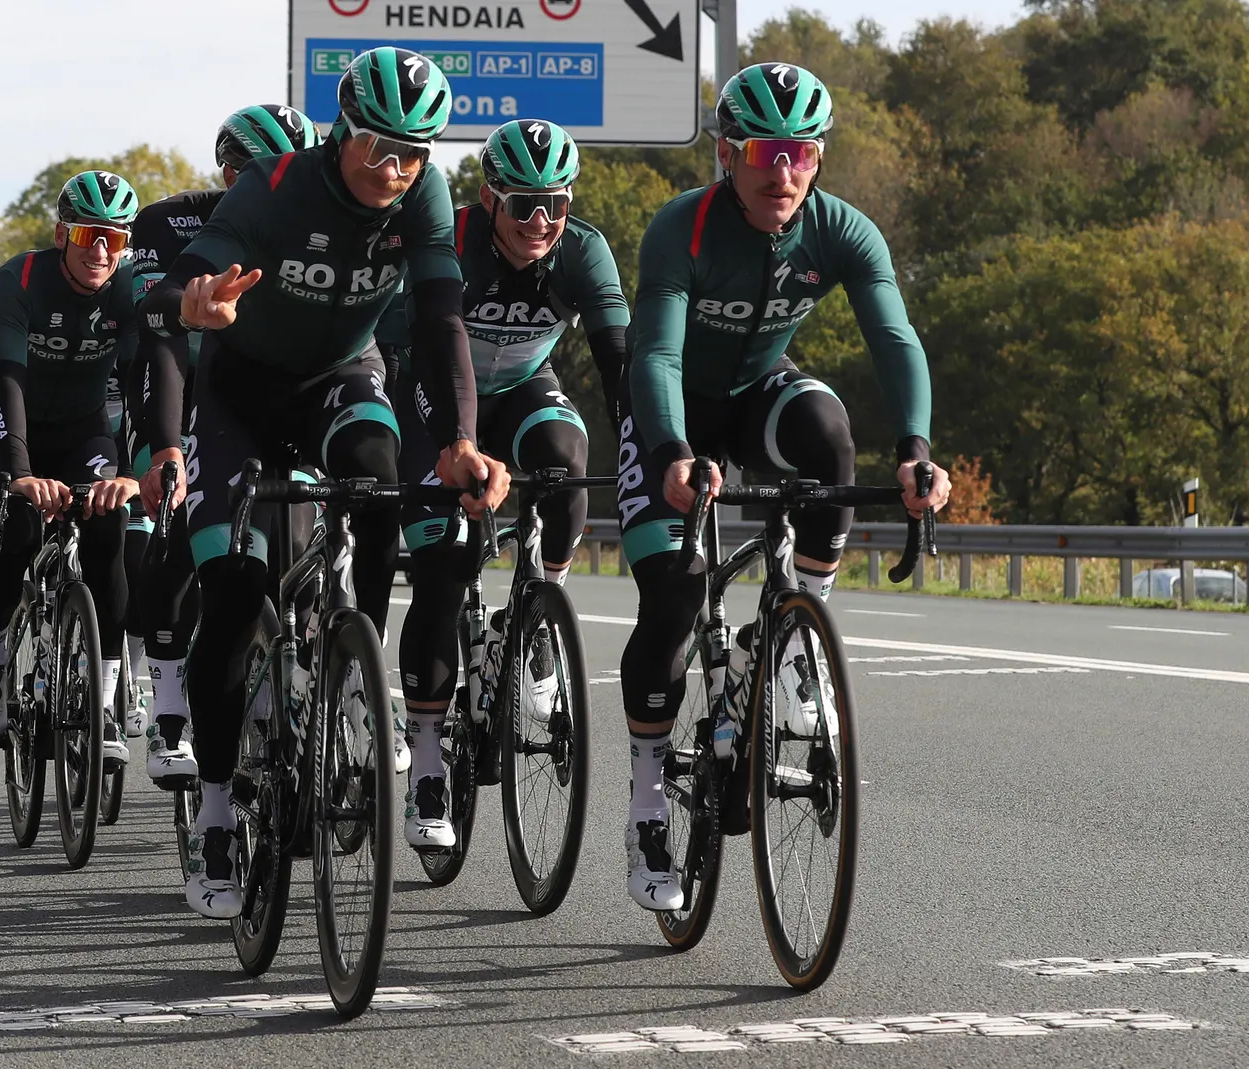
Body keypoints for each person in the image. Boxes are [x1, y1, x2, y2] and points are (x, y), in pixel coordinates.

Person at [138, 48, 509, 919]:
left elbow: (442, 315)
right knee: (233, 592)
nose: (395, 169)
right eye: (380, 147)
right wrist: (196, 301)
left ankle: (353, 663)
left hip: (343, 378)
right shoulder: (271, 188)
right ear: (342, 130)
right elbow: (176, 283)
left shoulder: (421, 193)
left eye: (414, 152)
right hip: (237, 396)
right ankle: (221, 810)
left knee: (380, 489)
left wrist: (458, 440)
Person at [614, 63, 951, 911]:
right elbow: (652, 356)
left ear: (820, 158)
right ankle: (649, 799)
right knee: (674, 598)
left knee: (829, 432)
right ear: (727, 153)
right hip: (672, 416)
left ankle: (799, 633)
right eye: (763, 150)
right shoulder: (681, 231)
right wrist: (672, 455)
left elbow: (894, 338)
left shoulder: (842, 231)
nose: (782, 171)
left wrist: (915, 450)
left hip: (760, 393)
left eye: (800, 152)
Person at [381, 118, 628, 849]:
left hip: (521, 386)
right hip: (428, 391)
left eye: (555, 202)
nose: (542, 221)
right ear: (489, 199)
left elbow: (618, 359)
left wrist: (648, 441)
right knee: (443, 567)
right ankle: (427, 758)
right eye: (523, 205)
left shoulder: (582, 250)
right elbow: (439, 342)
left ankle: (539, 611)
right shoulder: (450, 242)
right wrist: (455, 442)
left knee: (564, 463)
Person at [125, 103, 324, 788]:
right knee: (178, 529)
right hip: (179, 381)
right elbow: (161, 341)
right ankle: (171, 701)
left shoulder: (320, 220)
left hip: (265, 391)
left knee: (300, 548)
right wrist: (164, 446)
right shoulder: (168, 222)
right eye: (265, 175)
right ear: (231, 173)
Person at [0, 171, 144, 775]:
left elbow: (146, 389)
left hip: (85, 431)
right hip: (7, 427)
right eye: (91, 234)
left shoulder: (127, 295)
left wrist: (132, 471)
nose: (101, 251)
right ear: (63, 232)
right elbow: (7, 380)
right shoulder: (18, 282)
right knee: (17, 532)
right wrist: (19, 472)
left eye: (115, 240)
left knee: (108, 528)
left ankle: (106, 697)